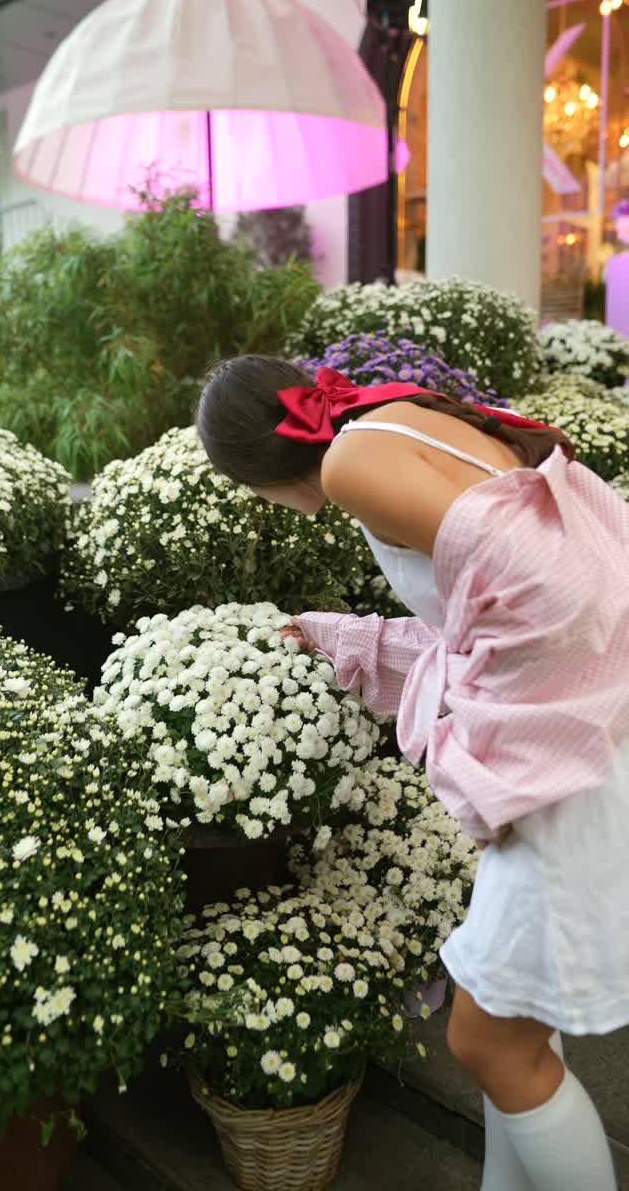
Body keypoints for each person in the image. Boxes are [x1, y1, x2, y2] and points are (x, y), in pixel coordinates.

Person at [196, 354, 629, 1191]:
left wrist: (492, 747)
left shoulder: (352, 461)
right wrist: (340, 638)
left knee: (484, 1043)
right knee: (519, 1038)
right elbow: (497, 606)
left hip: (569, 776)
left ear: (250, 473)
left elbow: (550, 593)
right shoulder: (397, 417)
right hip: (593, 747)